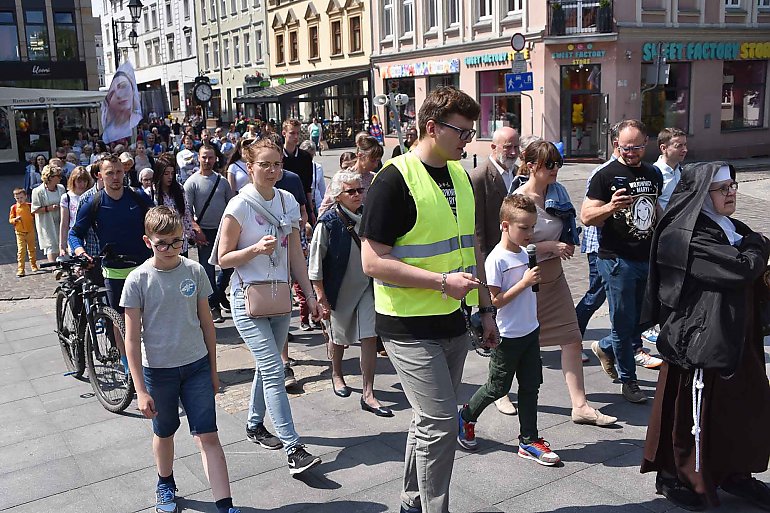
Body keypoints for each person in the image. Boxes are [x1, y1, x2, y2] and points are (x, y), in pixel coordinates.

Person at [360, 86, 498, 513]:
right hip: (407, 323)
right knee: (440, 422)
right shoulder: (393, 178)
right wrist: (441, 283)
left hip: (453, 320)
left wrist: (486, 308)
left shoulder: (460, 174)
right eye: (461, 131)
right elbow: (371, 262)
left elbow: (471, 245)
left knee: (426, 420)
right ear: (431, 127)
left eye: (472, 131)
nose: (467, 140)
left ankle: (410, 501)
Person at [640, 162, 770, 511]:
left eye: (733, 185)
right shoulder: (687, 236)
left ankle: (734, 472)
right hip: (698, 340)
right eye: (722, 187)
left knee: (741, 406)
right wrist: (758, 245)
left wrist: (753, 248)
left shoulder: (731, 227)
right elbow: (741, 267)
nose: (731, 192)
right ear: (701, 193)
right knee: (689, 413)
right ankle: (675, 476)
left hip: (737, 335)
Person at [121, 206, 242, 513]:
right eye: (162, 243)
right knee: (164, 432)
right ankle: (165, 481)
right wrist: (140, 389)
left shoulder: (194, 271)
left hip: (197, 366)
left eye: (177, 241)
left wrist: (214, 371)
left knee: (208, 435)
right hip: (158, 371)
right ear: (147, 241)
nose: (171, 249)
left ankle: (225, 505)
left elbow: (207, 325)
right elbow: (132, 340)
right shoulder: (138, 280)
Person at [214, 138, 323, 476]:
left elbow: (295, 255)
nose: (273, 170)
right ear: (251, 168)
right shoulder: (239, 205)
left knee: (267, 367)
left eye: (277, 164)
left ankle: (254, 424)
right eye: (265, 164)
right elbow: (222, 258)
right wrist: (255, 251)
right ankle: (294, 449)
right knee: (275, 368)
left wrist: (310, 295)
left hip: (279, 298)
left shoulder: (288, 200)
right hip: (246, 297)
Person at [514, 141, 617, 426]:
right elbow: (510, 247)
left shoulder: (557, 192)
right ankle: (498, 391)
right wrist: (549, 245)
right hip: (525, 279)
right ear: (532, 165)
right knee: (514, 341)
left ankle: (580, 405)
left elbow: (570, 226)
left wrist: (567, 244)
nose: (555, 169)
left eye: (558, 163)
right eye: (549, 164)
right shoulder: (518, 198)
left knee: (572, 339)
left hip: (554, 277)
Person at [457, 194, 563, 466]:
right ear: (505, 225)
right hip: (506, 335)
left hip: (530, 330)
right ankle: (466, 418)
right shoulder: (497, 259)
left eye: (532, 227)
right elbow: (494, 300)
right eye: (524, 228)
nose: (530, 233)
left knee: (531, 385)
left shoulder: (525, 252)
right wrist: (525, 283)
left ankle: (529, 440)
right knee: (497, 387)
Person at [581, 119, 663, 404]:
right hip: (617, 259)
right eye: (625, 147)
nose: (631, 152)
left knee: (648, 316)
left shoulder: (653, 173)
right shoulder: (605, 175)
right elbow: (587, 216)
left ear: (646, 144)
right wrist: (610, 206)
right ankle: (629, 381)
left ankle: (605, 347)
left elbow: (655, 208)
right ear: (616, 145)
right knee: (622, 322)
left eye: (637, 147)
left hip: (647, 256)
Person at [308, 172, 391, 416]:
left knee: (369, 336)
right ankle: (337, 374)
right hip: (340, 289)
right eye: (350, 191)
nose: (357, 195)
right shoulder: (328, 222)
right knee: (339, 338)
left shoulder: (369, 215)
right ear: (337, 195)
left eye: (360, 190)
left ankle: (368, 393)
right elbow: (315, 265)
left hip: (368, 287)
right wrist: (321, 296)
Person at [468, 126, 520, 415]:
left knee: (513, 326)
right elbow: (476, 230)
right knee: (495, 325)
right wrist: (484, 271)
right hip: (493, 262)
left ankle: (509, 383)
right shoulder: (479, 178)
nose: (511, 152)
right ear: (493, 147)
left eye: (515, 146)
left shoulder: (517, 175)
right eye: (506, 147)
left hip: (516, 260)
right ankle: (498, 389)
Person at [184, 144, 235, 322]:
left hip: (224, 231)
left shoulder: (222, 181)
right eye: (204, 157)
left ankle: (220, 291)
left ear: (215, 159)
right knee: (208, 269)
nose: (207, 161)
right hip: (204, 231)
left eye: (210, 157)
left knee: (230, 266)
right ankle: (213, 305)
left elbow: (232, 206)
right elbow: (187, 210)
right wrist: (196, 230)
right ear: (198, 158)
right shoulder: (192, 182)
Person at [318, 135, 382, 216]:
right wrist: (321, 224)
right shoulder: (342, 178)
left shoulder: (375, 178)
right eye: (372, 160)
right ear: (360, 155)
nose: (376, 165)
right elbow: (325, 207)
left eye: (378, 161)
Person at [153, 154, 195, 256]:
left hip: (179, 241)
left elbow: (185, 212)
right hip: (162, 241)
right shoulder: (153, 191)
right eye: (166, 174)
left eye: (172, 173)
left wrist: (190, 233)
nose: (170, 177)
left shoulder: (179, 189)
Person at [281, 119, 314, 223]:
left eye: (298, 133)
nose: (296, 136)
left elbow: (307, 186)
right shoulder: (277, 156)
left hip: (301, 204)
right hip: (281, 204)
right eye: (292, 133)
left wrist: (311, 210)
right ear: (284, 133)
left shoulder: (305, 157)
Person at [31, 164, 65, 263]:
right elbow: (34, 209)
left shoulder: (61, 188)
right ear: (50, 177)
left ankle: (62, 266)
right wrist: (49, 208)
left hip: (60, 219)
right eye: (57, 176)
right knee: (50, 244)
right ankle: (54, 268)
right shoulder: (37, 191)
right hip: (47, 222)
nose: (60, 178)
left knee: (61, 243)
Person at [101, 62, 142, 144]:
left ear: (132, 89)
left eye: (123, 86)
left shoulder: (138, 120)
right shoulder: (109, 132)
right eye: (113, 93)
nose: (119, 95)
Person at [58, 166, 93, 256]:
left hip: (90, 236)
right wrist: (62, 245)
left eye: (84, 181)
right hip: (74, 234)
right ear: (73, 181)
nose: (82, 184)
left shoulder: (91, 195)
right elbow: (64, 222)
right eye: (79, 181)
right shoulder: (66, 197)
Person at [654, 127, 688, 212]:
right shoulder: (653, 174)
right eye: (679, 146)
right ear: (663, 148)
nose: (685, 150)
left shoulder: (683, 172)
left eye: (685, 145)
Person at [9, 188, 38, 277]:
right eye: (17, 198)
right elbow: (10, 220)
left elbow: (35, 216)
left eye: (21, 197)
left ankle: (33, 264)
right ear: (14, 198)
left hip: (30, 231)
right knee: (21, 251)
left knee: (32, 249)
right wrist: (15, 220)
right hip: (19, 232)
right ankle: (21, 269)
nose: (19, 200)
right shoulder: (14, 208)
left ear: (25, 197)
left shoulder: (29, 206)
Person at [299, 140, 326, 217]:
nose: (308, 158)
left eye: (311, 155)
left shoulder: (318, 167)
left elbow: (322, 189)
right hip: (303, 203)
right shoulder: (297, 167)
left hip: (316, 202)